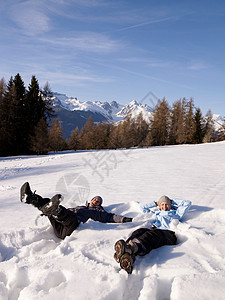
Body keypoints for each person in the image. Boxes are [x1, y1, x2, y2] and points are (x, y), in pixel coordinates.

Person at [20, 182, 132, 240]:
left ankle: (55, 211)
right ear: (90, 200)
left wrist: (125, 219)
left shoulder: (98, 212)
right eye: (95, 199)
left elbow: (110, 217)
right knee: (48, 204)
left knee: (67, 214)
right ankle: (30, 198)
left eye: (98, 202)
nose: (96, 202)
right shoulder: (81, 207)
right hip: (59, 225)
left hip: (69, 229)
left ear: (100, 205)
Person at [114, 195, 192, 274]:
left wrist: (172, 201)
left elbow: (187, 203)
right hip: (156, 231)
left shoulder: (176, 214)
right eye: (162, 204)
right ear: (159, 206)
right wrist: (155, 203)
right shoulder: (157, 213)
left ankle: (132, 248)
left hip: (168, 234)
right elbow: (142, 208)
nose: (164, 207)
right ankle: (126, 250)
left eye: (167, 204)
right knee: (139, 231)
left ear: (170, 205)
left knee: (149, 235)